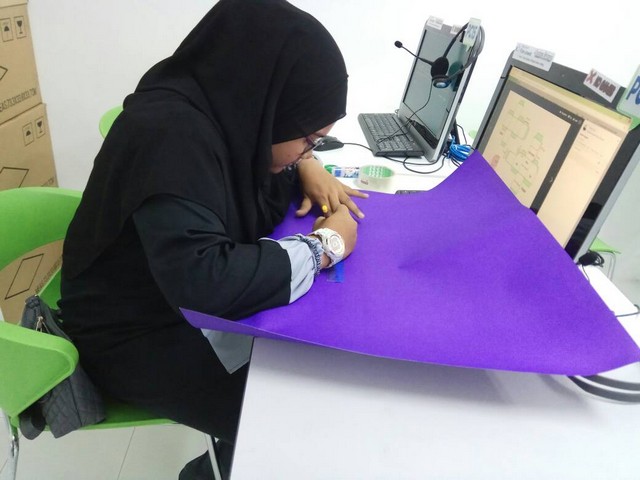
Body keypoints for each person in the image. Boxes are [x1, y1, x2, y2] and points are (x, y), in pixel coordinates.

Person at [58, 0, 366, 478]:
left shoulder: (223, 112)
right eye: (309, 139)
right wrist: (324, 247)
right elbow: (208, 282)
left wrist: (305, 164)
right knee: (300, 413)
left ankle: (220, 463)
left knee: (310, 368)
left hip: (168, 296)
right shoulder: (168, 136)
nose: (309, 150)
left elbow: (251, 174)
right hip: (131, 332)